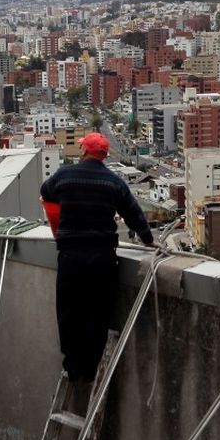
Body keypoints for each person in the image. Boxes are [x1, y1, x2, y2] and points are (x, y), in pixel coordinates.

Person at [40, 132, 155, 382]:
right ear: (104, 155)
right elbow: (133, 214)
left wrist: (62, 217)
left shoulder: (64, 175)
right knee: (97, 312)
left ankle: (73, 366)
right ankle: (92, 368)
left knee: (69, 310)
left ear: (84, 152)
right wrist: (148, 240)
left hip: (71, 256)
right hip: (102, 258)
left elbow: (45, 193)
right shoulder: (114, 182)